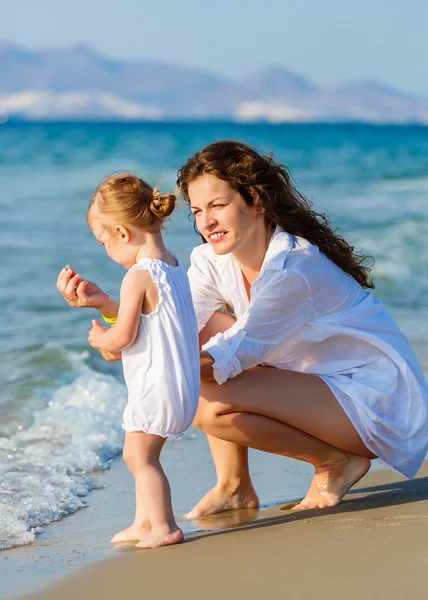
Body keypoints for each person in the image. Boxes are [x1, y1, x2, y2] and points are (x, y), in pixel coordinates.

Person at [57, 141, 428, 521]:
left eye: (218, 206)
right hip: (312, 382)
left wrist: (133, 352)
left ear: (257, 202)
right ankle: (233, 485)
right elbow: (170, 324)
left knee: (202, 396)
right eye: (198, 211)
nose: (206, 223)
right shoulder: (209, 260)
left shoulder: (292, 268)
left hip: (372, 398)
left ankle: (335, 462)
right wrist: (108, 309)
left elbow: (235, 353)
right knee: (193, 340)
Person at [81, 173, 199, 548]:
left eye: (103, 241)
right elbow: (149, 320)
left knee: (139, 457)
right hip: (179, 385)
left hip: (156, 386)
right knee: (141, 455)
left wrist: (102, 336)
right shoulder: (174, 267)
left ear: (121, 231)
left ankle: (163, 526)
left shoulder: (138, 276)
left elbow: (123, 337)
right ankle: (143, 522)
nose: (105, 249)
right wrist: (103, 302)